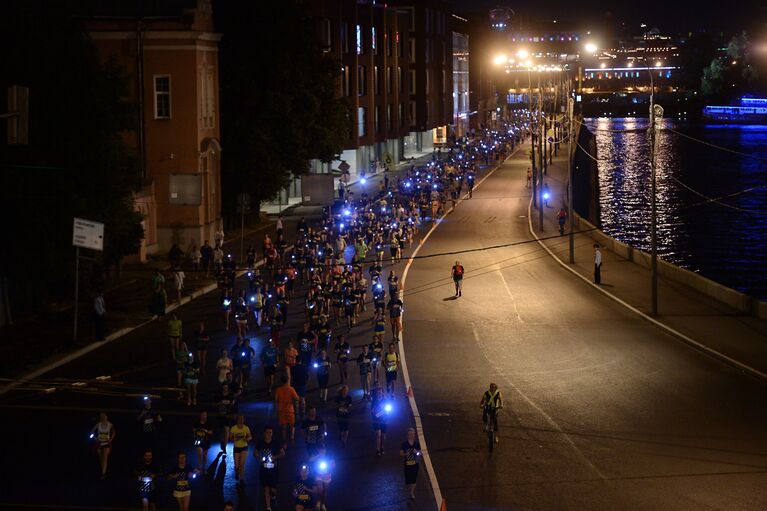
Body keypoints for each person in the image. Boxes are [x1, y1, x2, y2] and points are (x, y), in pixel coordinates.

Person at [256, 425, 285, 511]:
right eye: (267, 432)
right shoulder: (260, 443)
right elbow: (255, 452)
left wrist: (275, 457)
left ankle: (274, 496)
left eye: (270, 433)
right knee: (266, 488)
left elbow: (283, 453)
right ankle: (268, 507)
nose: (269, 434)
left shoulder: (276, 443)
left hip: (274, 469)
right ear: (264, 433)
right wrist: (259, 456)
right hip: (264, 469)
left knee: (273, 489)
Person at [90, 412, 115, 479]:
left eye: (104, 416)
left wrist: (111, 439)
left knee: (105, 457)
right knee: (101, 458)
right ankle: (103, 470)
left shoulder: (110, 424)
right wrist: (95, 438)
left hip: (107, 443)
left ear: (106, 417)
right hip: (99, 443)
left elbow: (114, 432)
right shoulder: (98, 424)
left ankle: (103, 474)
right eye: (101, 416)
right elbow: (91, 432)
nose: (103, 417)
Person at [275, 376, 299, 442]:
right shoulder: (291, 389)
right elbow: (297, 398)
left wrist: (276, 410)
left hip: (281, 410)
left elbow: (276, 400)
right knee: (292, 424)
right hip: (290, 410)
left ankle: (284, 438)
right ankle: (292, 436)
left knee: (284, 426)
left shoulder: (278, 390)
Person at [229, 414, 252, 484]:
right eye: (240, 419)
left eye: (242, 419)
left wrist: (247, 439)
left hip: (244, 447)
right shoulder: (233, 428)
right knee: (236, 465)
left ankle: (241, 478)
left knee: (242, 464)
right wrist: (234, 438)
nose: (241, 420)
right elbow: (230, 437)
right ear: (237, 420)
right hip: (236, 447)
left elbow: (250, 436)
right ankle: (237, 471)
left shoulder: (246, 428)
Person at [400, 428, 422, 500]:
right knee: (408, 481)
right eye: (410, 434)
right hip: (407, 465)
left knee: (414, 479)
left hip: (415, 464)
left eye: (413, 434)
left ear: (414, 435)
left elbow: (420, 453)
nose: (411, 435)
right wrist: (406, 454)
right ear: (407, 435)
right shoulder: (404, 444)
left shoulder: (417, 444)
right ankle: (410, 490)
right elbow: (401, 453)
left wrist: (417, 453)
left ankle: (412, 493)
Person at [371, 386, 389, 456]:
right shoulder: (374, 401)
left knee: (383, 436)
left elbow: (388, 409)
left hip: (384, 420)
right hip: (376, 420)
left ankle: (382, 447)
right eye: (378, 392)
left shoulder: (385, 400)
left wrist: (387, 412)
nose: (379, 393)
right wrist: (379, 413)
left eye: (381, 391)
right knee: (378, 434)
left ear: (382, 392)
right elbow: (372, 411)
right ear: (376, 393)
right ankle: (378, 450)